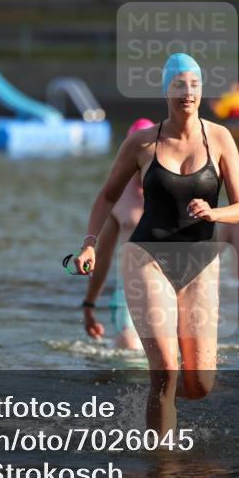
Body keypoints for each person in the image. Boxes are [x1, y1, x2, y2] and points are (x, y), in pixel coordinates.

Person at [72, 53, 239, 434]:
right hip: (147, 258)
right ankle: (162, 466)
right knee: (165, 371)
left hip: (201, 261)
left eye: (194, 85)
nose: (187, 93)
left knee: (199, 386)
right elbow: (106, 197)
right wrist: (88, 244)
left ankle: (151, 408)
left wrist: (214, 214)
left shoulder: (220, 138)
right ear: (166, 90)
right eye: (179, 85)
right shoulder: (141, 143)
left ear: (202, 90)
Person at [81, 118, 154, 352]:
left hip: (167, 286)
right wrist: (89, 304)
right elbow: (102, 257)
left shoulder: (173, 190)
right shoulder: (118, 198)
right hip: (130, 289)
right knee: (130, 345)